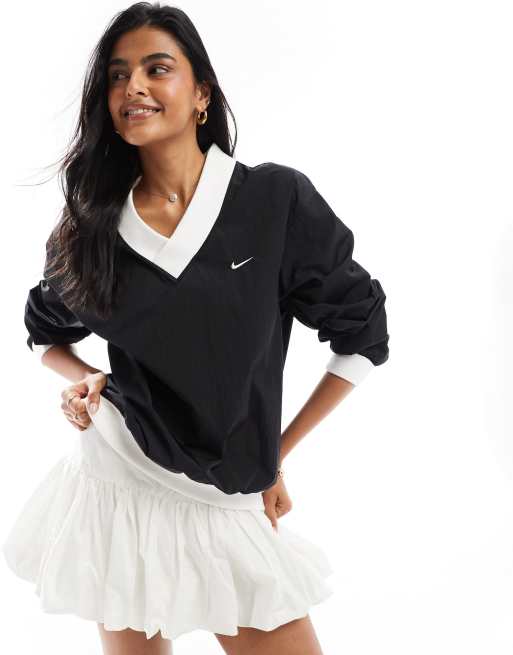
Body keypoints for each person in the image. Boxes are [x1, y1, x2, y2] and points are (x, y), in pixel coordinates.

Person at [2, 3, 390, 654]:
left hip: (229, 499)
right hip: (120, 483)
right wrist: (88, 375)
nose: (134, 86)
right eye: (118, 75)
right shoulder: (93, 227)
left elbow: (363, 339)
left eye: (157, 69)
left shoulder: (272, 202)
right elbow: (44, 334)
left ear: (202, 93)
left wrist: (275, 454)